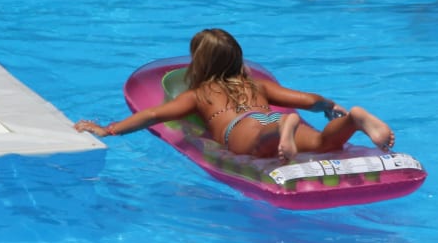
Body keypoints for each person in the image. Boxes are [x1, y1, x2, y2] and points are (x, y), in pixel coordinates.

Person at [75, 28, 395, 162]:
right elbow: (308, 99)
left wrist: (109, 129)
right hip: (272, 115)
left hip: (241, 128)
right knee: (327, 143)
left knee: (258, 142)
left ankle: (284, 129)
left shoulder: (200, 94)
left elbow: (154, 115)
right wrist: (331, 106)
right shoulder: (257, 85)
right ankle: (354, 119)